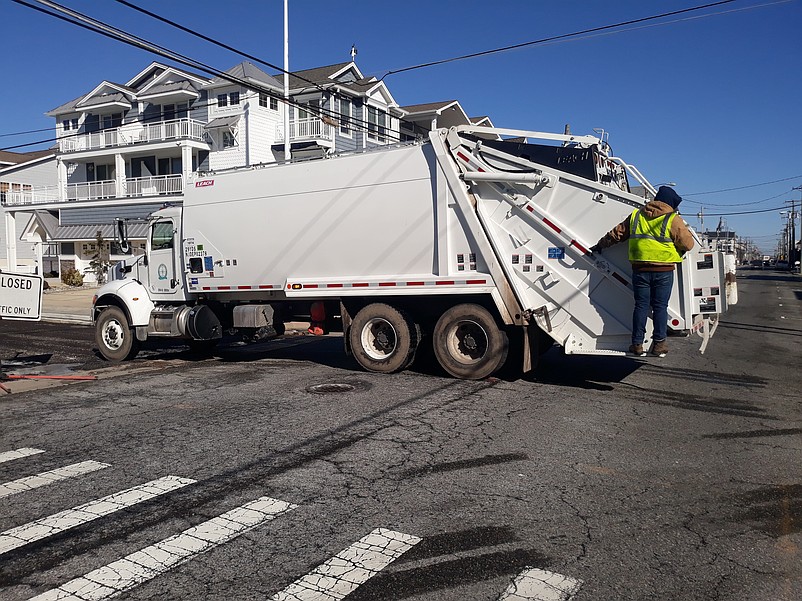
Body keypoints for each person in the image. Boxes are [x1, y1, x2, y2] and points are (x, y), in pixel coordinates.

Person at [590, 186, 694, 357]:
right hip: (664, 271)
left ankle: (637, 344)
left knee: (640, 306)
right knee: (660, 307)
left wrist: (600, 245)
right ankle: (659, 344)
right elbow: (688, 244)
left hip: (640, 270)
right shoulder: (673, 219)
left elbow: (617, 234)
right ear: (671, 204)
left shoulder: (637, 215)